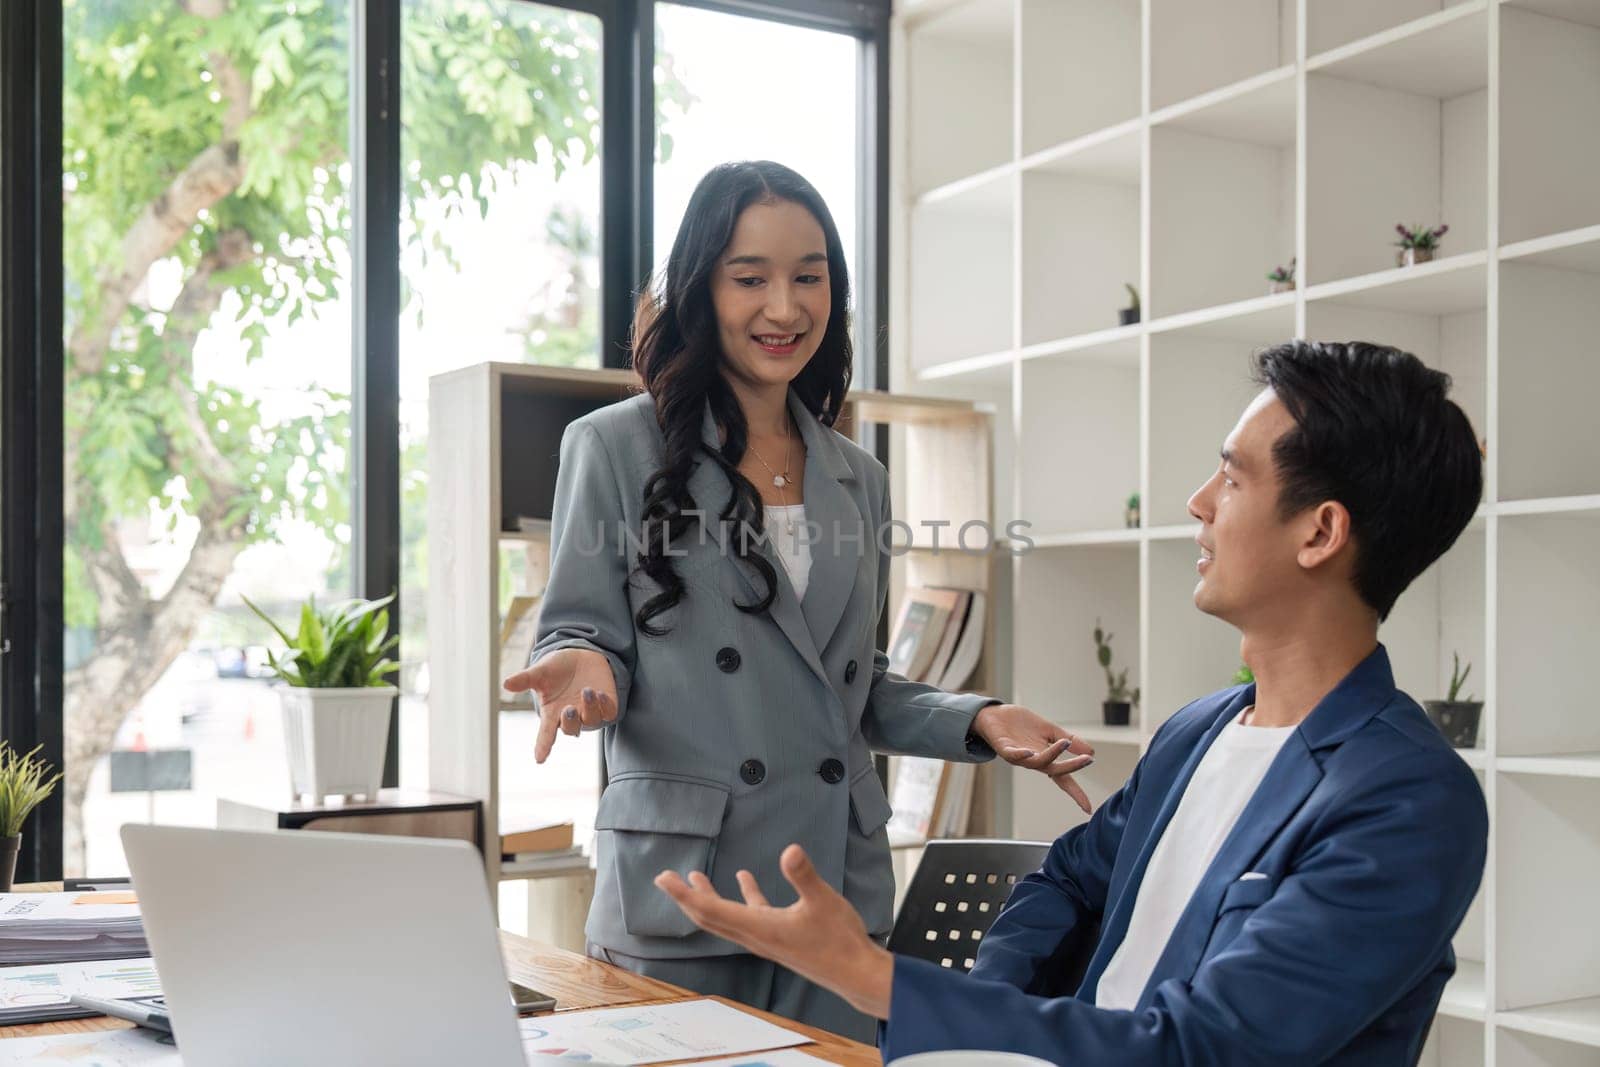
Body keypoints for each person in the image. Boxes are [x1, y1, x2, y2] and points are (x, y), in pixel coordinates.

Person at [657, 340, 1490, 1065]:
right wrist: (985, 1030)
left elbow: (1205, 1051)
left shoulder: (1407, 801)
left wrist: (875, 978)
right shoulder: (1197, 733)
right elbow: (1061, 883)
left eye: (1232, 478)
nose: (1198, 501)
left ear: (1320, 532)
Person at [501, 160, 1093, 1041]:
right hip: (686, 894)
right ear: (701, 289)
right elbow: (582, 626)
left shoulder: (860, 477)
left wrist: (980, 718)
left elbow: (853, 685)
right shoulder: (612, 446)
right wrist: (586, 663)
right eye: (751, 278)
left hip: (833, 902)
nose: (785, 307)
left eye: (809, 277)